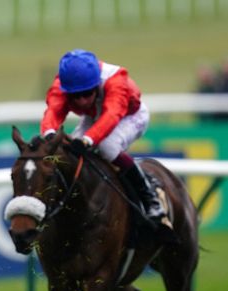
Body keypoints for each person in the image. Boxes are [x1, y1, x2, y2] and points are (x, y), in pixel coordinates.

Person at [39, 49, 168, 229]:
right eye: (75, 96)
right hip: (96, 116)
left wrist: (88, 140)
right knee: (69, 154)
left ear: (96, 84)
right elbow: (53, 112)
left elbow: (112, 115)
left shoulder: (115, 81)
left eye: (87, 93)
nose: (82, 101)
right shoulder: (61, 84)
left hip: (128, 115)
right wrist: (49, 135)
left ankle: (150, 196)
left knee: (107, 146)